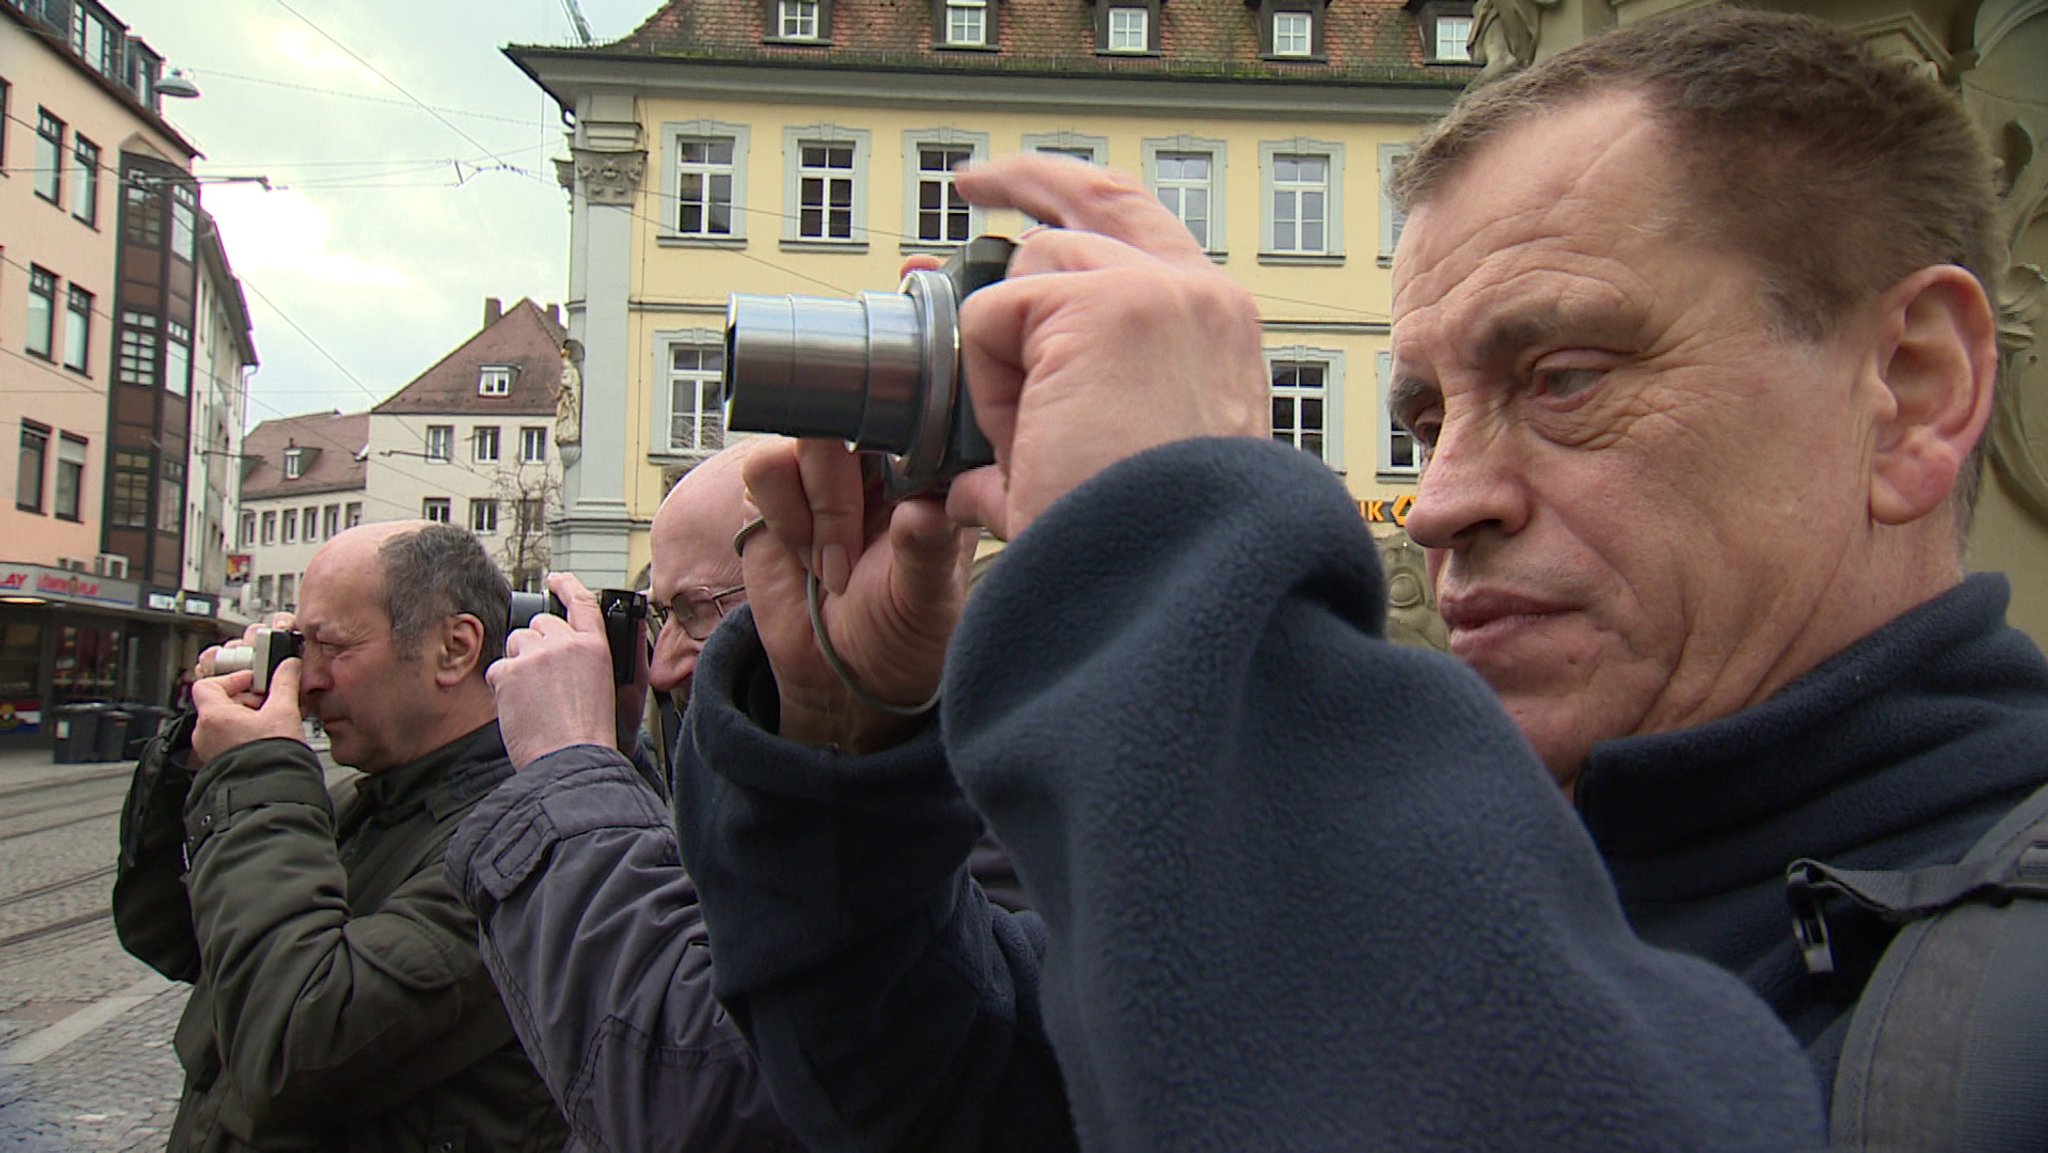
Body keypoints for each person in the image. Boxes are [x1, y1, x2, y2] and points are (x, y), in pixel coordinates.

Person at [650, 8, 2048, 1151]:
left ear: (1914, 391)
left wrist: (1166, 545)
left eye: (1563, 378)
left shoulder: (2003, 987)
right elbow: (932, 1096)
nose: (1441, 499)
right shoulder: (1520, 858)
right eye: (1429, 417)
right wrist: (848, 745)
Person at [449, 438, 1020, 1151]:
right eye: (657, 619)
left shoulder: (995, 789)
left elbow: (722, 1088)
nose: (659, 668)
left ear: (827, 571)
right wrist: (628, 753)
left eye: (693, 610)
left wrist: (570, 771)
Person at [112, 523, 567, 1152]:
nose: (308, 680)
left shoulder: (518, 850)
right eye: (300, 646)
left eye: (331, 646)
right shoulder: (364, 801)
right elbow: (167, 933)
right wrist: (190, 758)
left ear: (454, 649)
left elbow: (294, 1044)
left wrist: (260, 773)